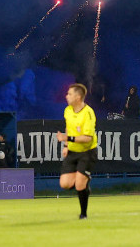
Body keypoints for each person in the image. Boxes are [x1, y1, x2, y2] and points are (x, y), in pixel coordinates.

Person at [57, 83, 97, 219]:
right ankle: (84, 184)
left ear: (78, 97)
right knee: (65, 184)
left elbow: (87, 138)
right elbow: (69, 128)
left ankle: (83, 214)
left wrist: (67, 138)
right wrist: (66, 145)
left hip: (87, 152)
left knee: (79, 184)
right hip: (73, 151)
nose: (66, 96)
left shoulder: (88, 113)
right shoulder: (68, 110)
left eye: (69, 94)